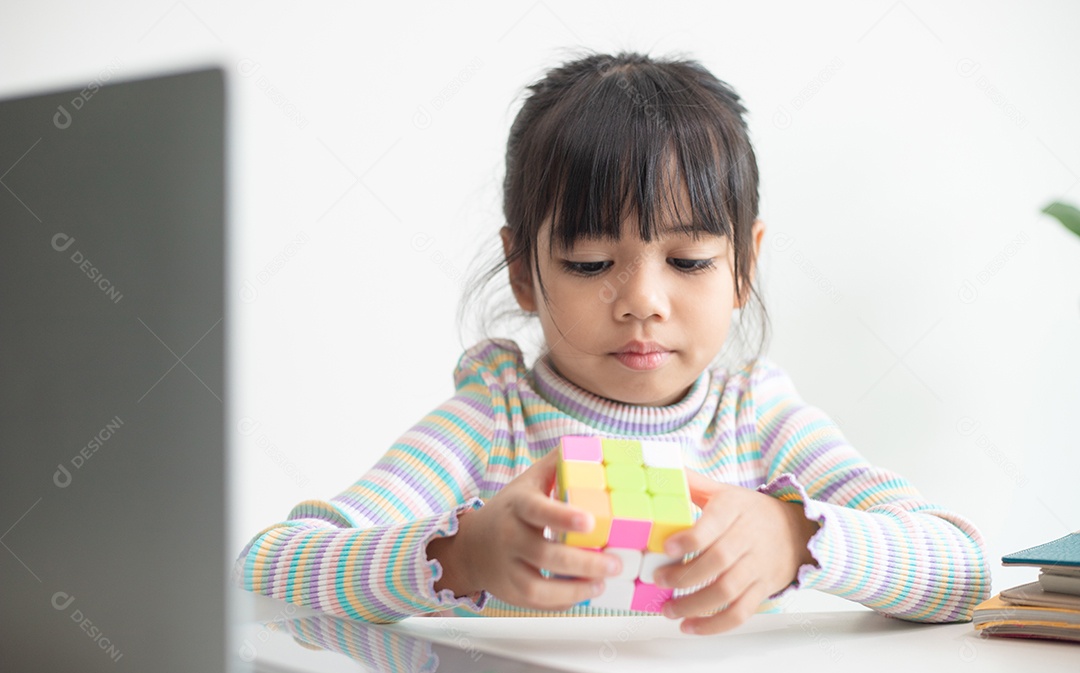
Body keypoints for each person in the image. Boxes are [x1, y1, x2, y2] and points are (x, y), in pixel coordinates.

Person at [236, 50, 991, 635]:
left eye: (689, 261)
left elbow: (963, 572)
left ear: (744, 266)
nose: (642, 302)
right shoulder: (492, 422)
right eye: (591, 264)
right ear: (523, 272)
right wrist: (458, 555)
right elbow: (267, 568)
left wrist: (798, 539)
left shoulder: (757, 422)